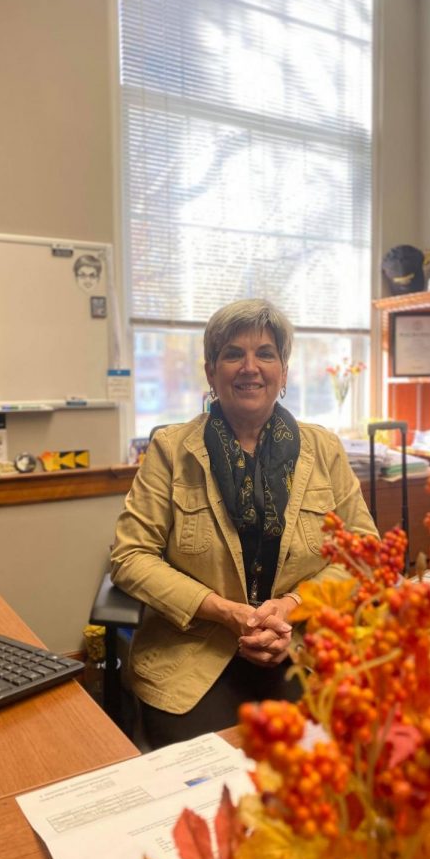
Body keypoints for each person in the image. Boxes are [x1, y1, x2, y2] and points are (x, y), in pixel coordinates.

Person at [110, 299, 378, 748]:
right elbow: (130, 556)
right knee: (205, 785)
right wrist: (229, 612)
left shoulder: (324, 450)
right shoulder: (171, 450)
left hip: (303, 649)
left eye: (265, 354)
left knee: (327, 775)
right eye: (233, 354)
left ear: (284, 370)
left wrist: (292, 606)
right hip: (192, 659)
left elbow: (363, 554)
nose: (250, 367)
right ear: (211, 371)